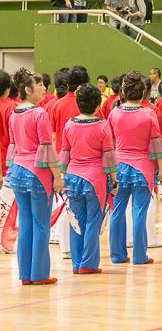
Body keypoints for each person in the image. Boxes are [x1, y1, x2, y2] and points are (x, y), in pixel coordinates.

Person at [6, 70, 63, 285]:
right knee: (41, 224)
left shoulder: (15, 113)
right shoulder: (39, 114)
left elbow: (13, 146)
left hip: (18, 170)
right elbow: (46, 147)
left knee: (26, 223)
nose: (44, 88)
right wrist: (57, 176)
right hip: (37, 173)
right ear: (28, 89)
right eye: (39, 85)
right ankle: (39, 274)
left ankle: (25, 274)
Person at [107, 72, 162, 266]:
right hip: (143, 168)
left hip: (119, 167)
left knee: (116, 211)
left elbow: (109, 143)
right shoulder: (148, 114)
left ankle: (117, 254)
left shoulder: (114, 113)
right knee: (139, 213)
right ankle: (139, 255)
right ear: (143, 93)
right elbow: (157, 143)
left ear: (123, 92)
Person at [58, 84, 115, 275]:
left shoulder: (69, 125)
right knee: (92, 222)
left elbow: (64, 153)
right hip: (95, 179)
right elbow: (108, 156)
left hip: (72, 177)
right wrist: (114, 179)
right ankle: (88, 264)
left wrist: (61, 176)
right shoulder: (102, 125)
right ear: (98, 104)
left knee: (76, 221)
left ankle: (76, 263)